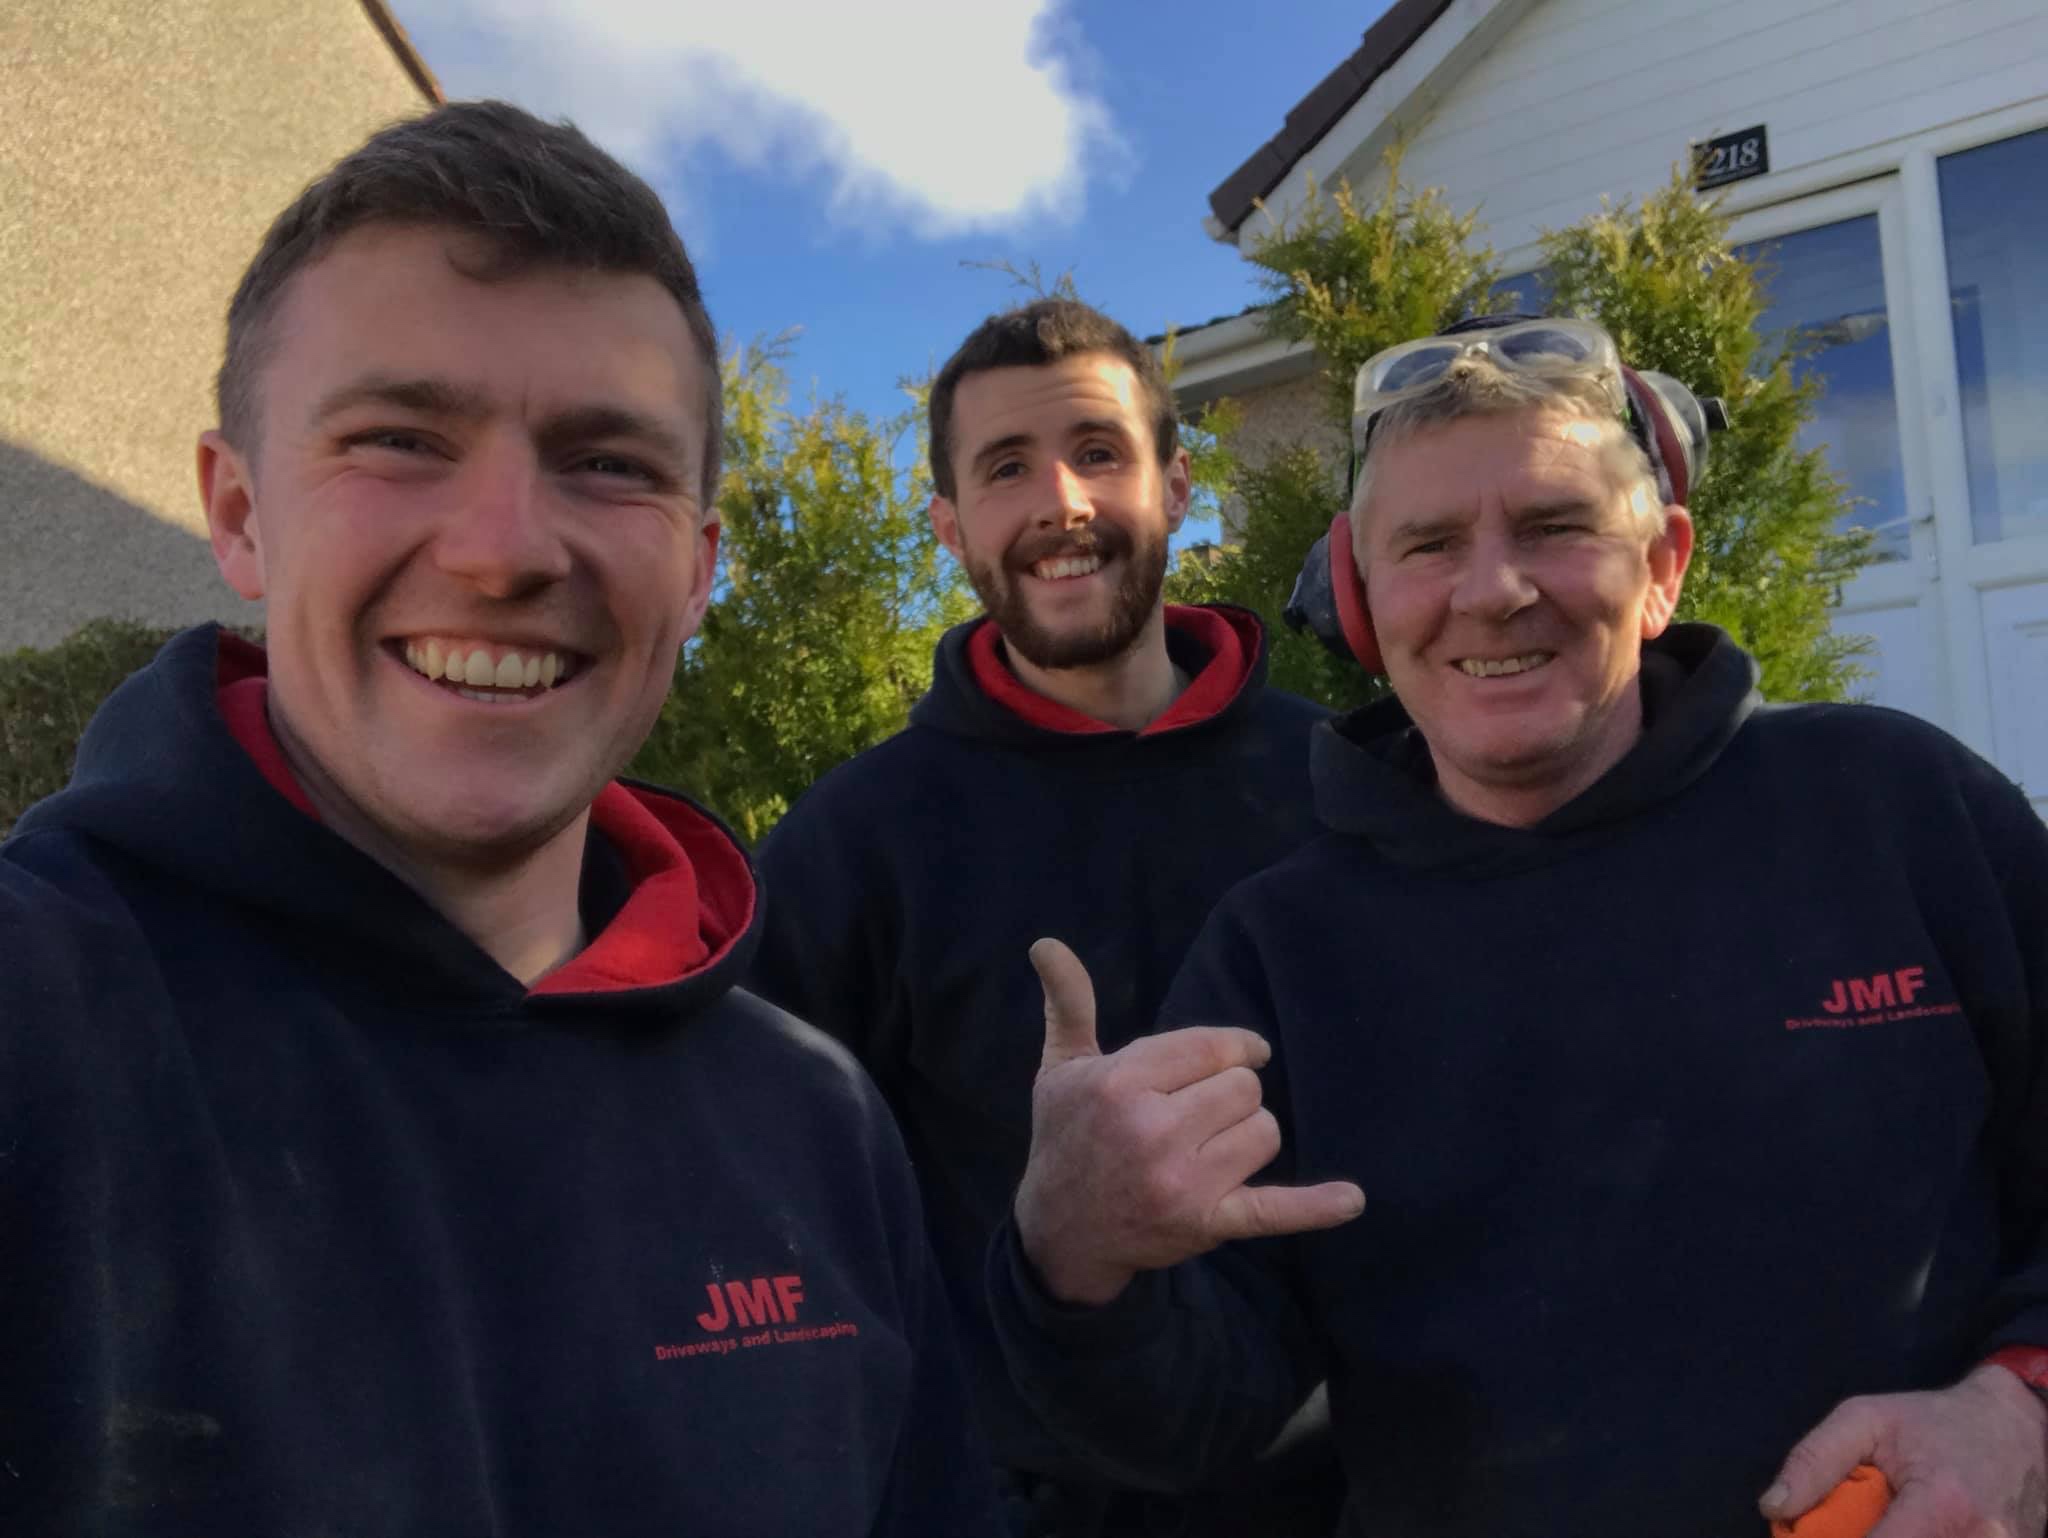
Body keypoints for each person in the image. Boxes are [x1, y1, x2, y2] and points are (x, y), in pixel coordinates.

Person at [0, 101, 995, 1537]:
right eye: (400, 438)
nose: (506, 550)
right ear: (240, 513)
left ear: (697, 568)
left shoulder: (818, 1127)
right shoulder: (38, 1027)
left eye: (610, 462)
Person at [987, 314, 2048, 1537]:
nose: (1491, 591)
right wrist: (1072, 1258)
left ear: (1660, 567)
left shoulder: (1896, 811)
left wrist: (2018, 1401)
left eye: (1552, 527)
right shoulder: (1283, 951)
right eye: (1429, 544)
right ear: (1360, 597)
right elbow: (1189, 1424)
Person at [749, 298, 1339, 1534]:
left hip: (1368, 1484)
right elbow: (774, 1214)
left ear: (1176, 485)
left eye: (1098, 451)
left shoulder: (1344, 786)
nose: (1060, 501)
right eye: (1006, 467)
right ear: (949, 525)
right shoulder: (851, 847)